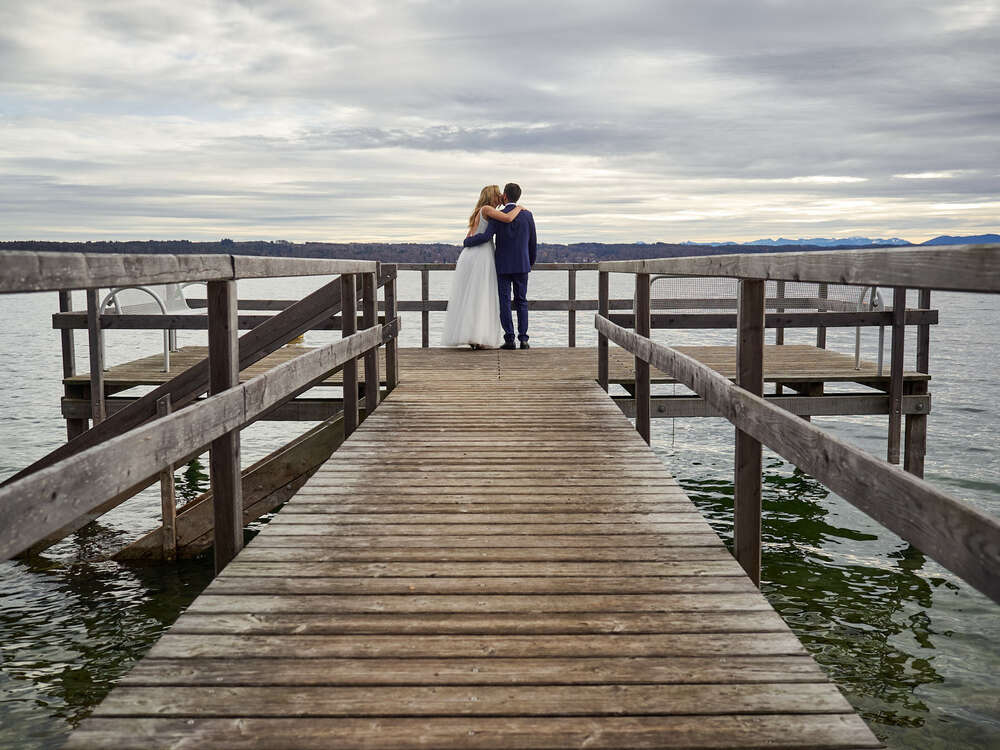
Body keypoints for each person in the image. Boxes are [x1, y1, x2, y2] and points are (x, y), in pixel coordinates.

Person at [440, 185, 523, 349]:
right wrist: (519, 208)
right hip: (481, 255)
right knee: (481, 294)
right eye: (498, 194)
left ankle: (474, 336)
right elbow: (508, 219)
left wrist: (467, 243)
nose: (500, 197)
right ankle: (477, 337)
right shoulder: (487, 209)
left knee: (475, 295)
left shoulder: (479, 211)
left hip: (473, 254)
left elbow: (469, 237)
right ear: (492, 196)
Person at [462, 182, 537, 349]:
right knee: (522, 301)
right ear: (518, 196)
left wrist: (467, 241)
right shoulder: (527, 215)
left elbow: (487, 235)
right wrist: (530, 262)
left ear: (505, 195)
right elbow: (533, 242)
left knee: (504, 302)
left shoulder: (497, 215)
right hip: (522, 265)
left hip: (502, 265)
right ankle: (524, 339)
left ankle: (509, 339)